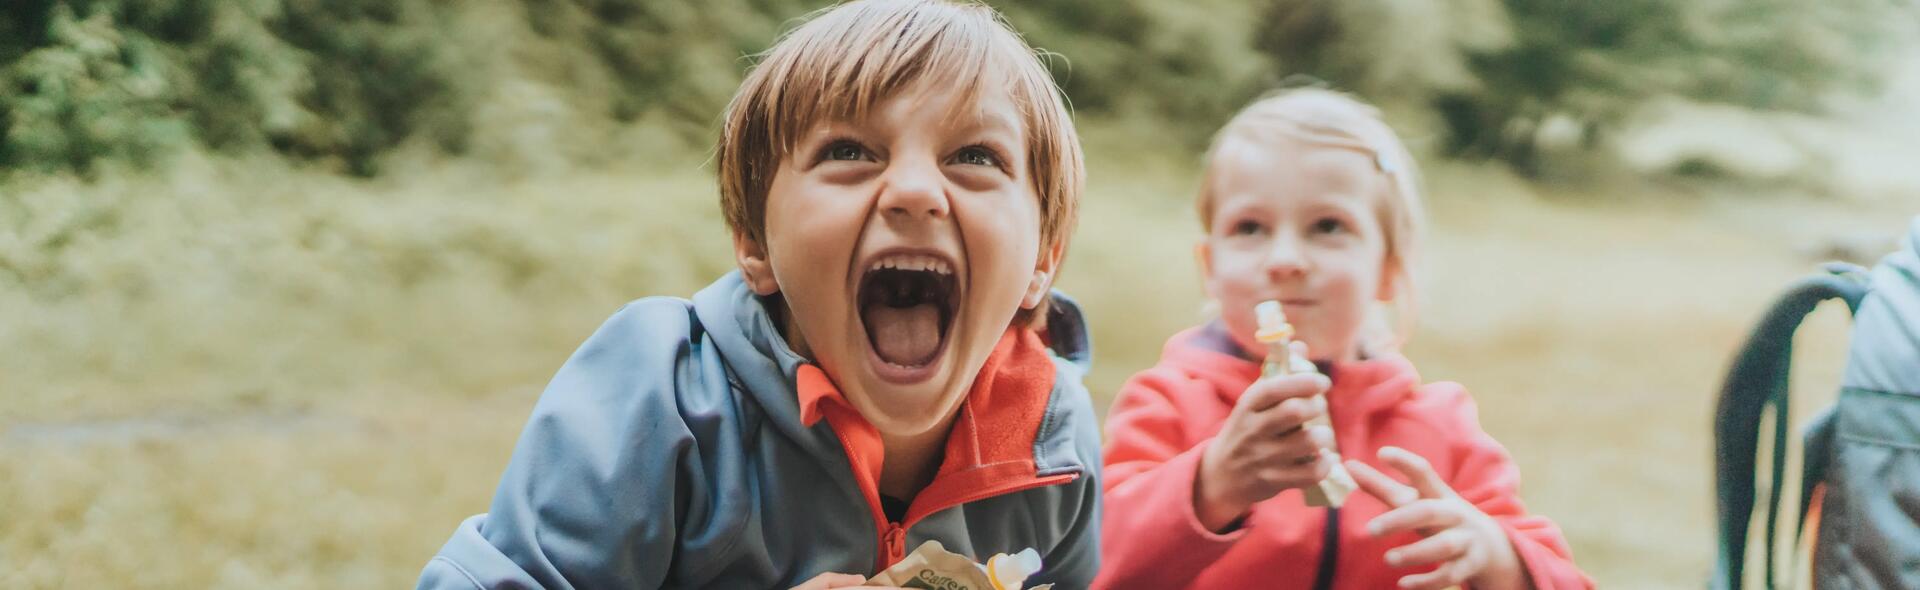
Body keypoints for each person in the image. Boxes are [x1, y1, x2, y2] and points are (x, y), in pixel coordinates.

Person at [417, 1, 1101, 587]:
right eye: (850, 152)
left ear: (1043, 258)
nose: (917, 191)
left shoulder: (1055, 444)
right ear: (755, 243)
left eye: (974, 157)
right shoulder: (665, 392)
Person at [1095, 88, 1592, 590]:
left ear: (1388, 271)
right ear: (1210, 269)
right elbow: (1090, 564)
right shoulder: (1168, 405)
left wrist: (1494, 553)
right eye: (1250, 227)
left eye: (1327, 226)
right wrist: (1211, 486)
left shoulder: (1442, 427)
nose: (1285, 258)